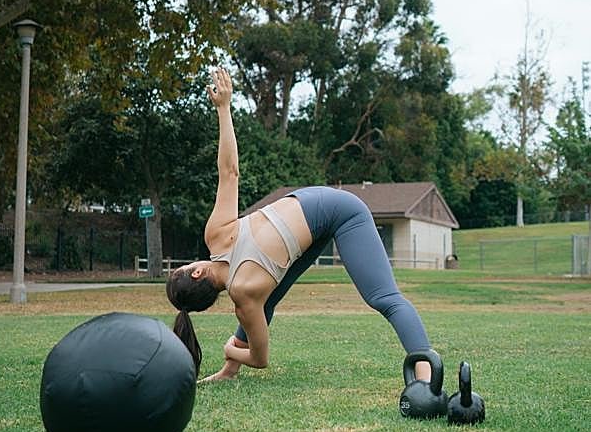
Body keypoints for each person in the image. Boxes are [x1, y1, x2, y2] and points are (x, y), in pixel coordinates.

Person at [166, 67, 433, 382]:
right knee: (383, 298)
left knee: (375, 297)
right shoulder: (218, 236)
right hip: (317, 207)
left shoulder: (245, 299)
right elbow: (229, 171)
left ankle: (427, 373)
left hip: (339, 211)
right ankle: (428, 375)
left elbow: (260, 358)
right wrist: (224, 108)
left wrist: (232, 350)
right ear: (196, 272)